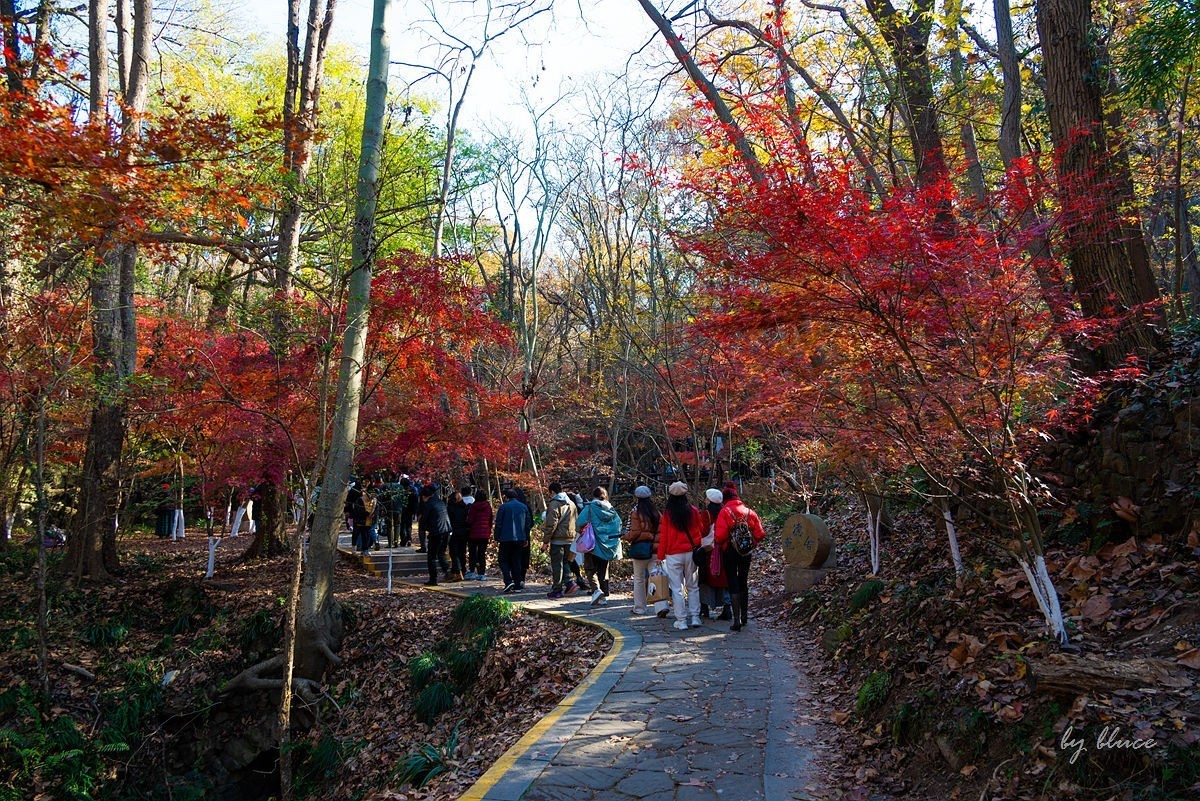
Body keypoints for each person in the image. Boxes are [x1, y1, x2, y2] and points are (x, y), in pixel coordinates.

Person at [714, 482, 766, 631]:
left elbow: (719, 536)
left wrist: (726, 542)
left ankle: (736, 620)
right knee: (743, 580)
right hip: (746, 552)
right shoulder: (749, 511)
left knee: (732, 581)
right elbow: (760, 533)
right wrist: (752, 543)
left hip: (730, 551)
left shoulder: (724, 512)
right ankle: (745, 617)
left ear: (725, 498)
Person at [657, 481, 705, 630]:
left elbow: (663, 536)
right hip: (691, 552)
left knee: (677, 588)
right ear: (685, 495)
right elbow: (701, 530)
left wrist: (660, 556)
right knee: (693, 586)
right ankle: (695, 617)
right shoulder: (693, 511)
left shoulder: (667, 515)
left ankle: (681, 620)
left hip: (673, 554)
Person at [576, 487, 622, 606]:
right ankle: (603, 595)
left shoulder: (590, 508)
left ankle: (596, 590)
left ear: (594, 495)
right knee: (603, 570)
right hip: (607, 544)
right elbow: (619, 524)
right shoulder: (612, 510)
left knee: (590, 569)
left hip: (593, 544)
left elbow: (579, 523)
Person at [621, 485, 660, 615]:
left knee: (638, 579)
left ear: (637, 498)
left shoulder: (635, 512)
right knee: (656, 577)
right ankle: (661, 606)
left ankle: (640, 608)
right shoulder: (656, 512)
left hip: (640, 550)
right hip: (655, 549)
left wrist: (625, 536)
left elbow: (635, 532)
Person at [699, 488, 732, 620]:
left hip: (709, 550)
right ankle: (727, 606)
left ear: (709, 500)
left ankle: (705, 607)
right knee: (723, 578)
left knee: (705, 578)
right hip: (724, 548)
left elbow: (703, 531)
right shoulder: (726, 512)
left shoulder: (706, 514)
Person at [542, 481, 578, 598]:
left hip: (558, 539)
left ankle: (557, 589)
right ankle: (569, 582)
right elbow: (576, 520)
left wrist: (546, 541)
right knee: (566, 562)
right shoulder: (572, 503)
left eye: (550, 493)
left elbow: (551, 524)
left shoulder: (554, 504)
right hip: (570, 537)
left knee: (557, 564)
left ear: (552, 492)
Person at [493, 488, 532, 593]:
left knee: (502, 559)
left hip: (506, 538)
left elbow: (499, 523)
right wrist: (526, 537)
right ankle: (518, 584)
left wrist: (496, 537)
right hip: (520, 538)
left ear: (507, 497)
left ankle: (508, 580)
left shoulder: (503, 507)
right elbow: (527, 524)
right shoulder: (524, 507)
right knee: (517, 560)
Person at [418, 484, 452, 585]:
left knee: (431, 557)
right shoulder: (440, 502)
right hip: (447, 530)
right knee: (441, 553)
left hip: (436, 532)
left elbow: (423, 520)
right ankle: (448, 572)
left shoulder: (429, 504)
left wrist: (423, 528)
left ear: (424, 496)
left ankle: (433, 579)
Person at [566, 490, 592, 592]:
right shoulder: (583, 508)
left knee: (570, 559)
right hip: (582, 537)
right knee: (578, 559)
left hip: (570, 536)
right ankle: (581, 579)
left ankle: (575, 578)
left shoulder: (568, 507)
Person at [466, 487, 493, 579]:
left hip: (473, 533)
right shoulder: (488, 507)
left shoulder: (473, 507)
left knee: (472, 553)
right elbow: (490, 520)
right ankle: (482, 574)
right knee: (482, 553)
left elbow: (470, 520)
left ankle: (472, 571)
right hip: (485, 533)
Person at [446, 490, 470, 582]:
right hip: (464, 532)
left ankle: (457, 571)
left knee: (454, 553)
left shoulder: (450, 508)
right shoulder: (465, 507)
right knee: (462, 552)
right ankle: (462, 570)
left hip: (454, 532)